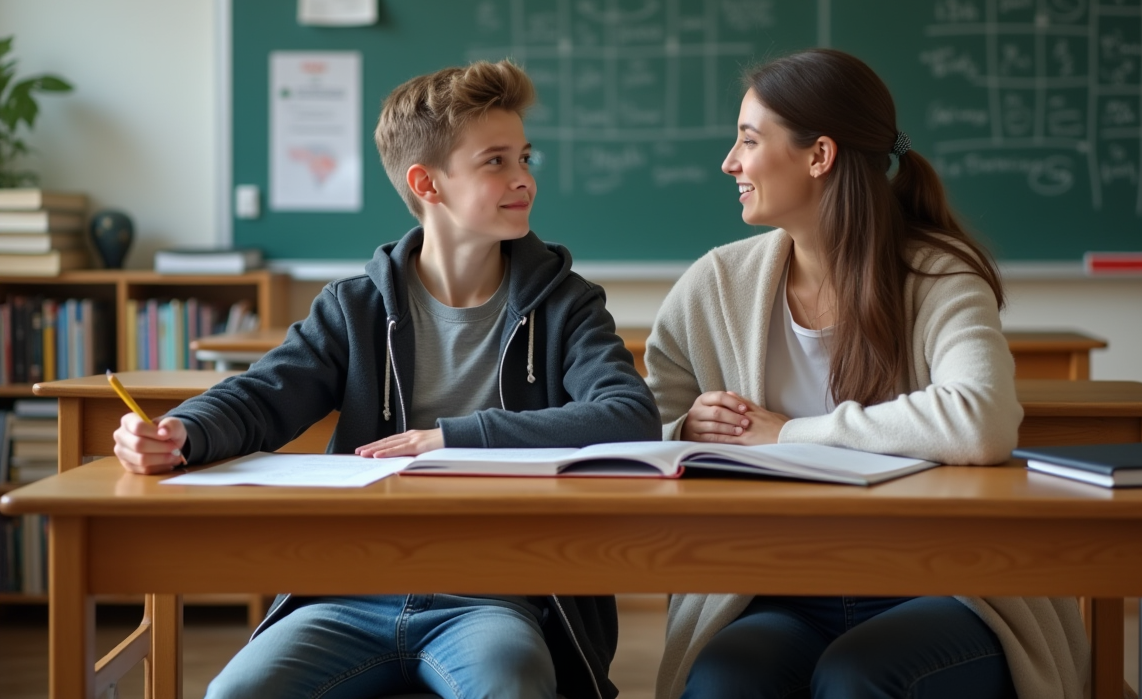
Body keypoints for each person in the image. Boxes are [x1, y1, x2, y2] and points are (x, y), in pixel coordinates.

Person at [111, 60, 660, 699]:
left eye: (524, 157)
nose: (523, 180)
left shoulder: (566, 304)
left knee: (513, 688)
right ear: (427, 183)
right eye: (496, 162)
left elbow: (629, 415)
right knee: (231, 694)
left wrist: (452, 438)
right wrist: (182, 431)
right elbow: (264, 395)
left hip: (492, 596)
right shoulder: (355, 307)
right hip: (351, 587)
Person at [645, 49, 1089, 699]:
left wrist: (789, 433)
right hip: (776, 587)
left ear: (819, 156)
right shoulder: (718, 284)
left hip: (943, 583)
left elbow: (981, 421)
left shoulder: (938, 275)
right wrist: (686, 424)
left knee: (857, 676)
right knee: (723, 682)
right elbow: (638, 420)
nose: (730, 163)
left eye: (747, 140)